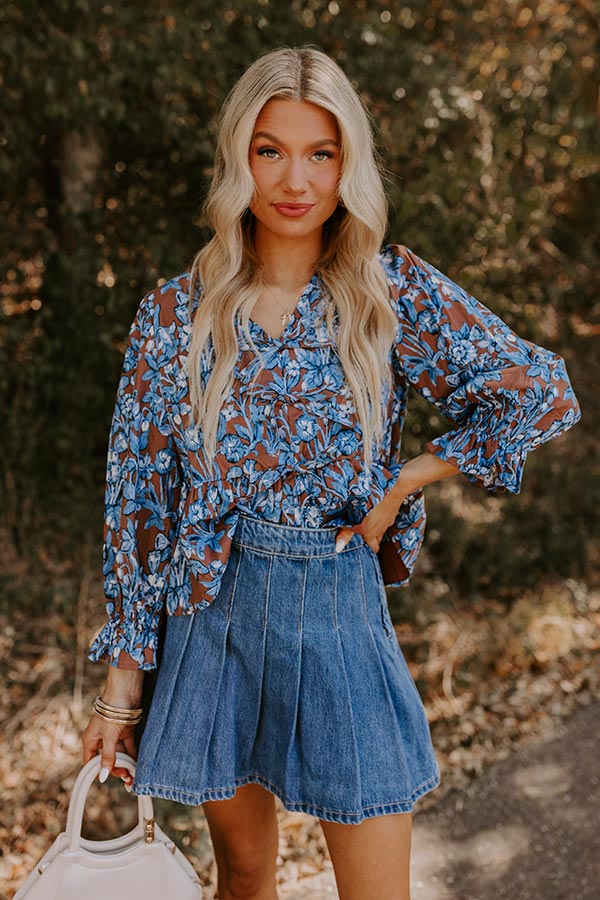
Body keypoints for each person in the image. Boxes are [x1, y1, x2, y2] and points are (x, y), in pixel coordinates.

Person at [81, 46, 581, 900]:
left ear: (350, 163)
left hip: (341, 613)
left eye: (322, 152)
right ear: (239, 157)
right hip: (215, 620)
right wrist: (123, 686)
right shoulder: (176, 313)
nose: (295, 178)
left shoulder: (388, 294)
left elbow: (538, 390)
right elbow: (139, 500)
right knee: (243, 873)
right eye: (271, 149)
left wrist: (408, 478)